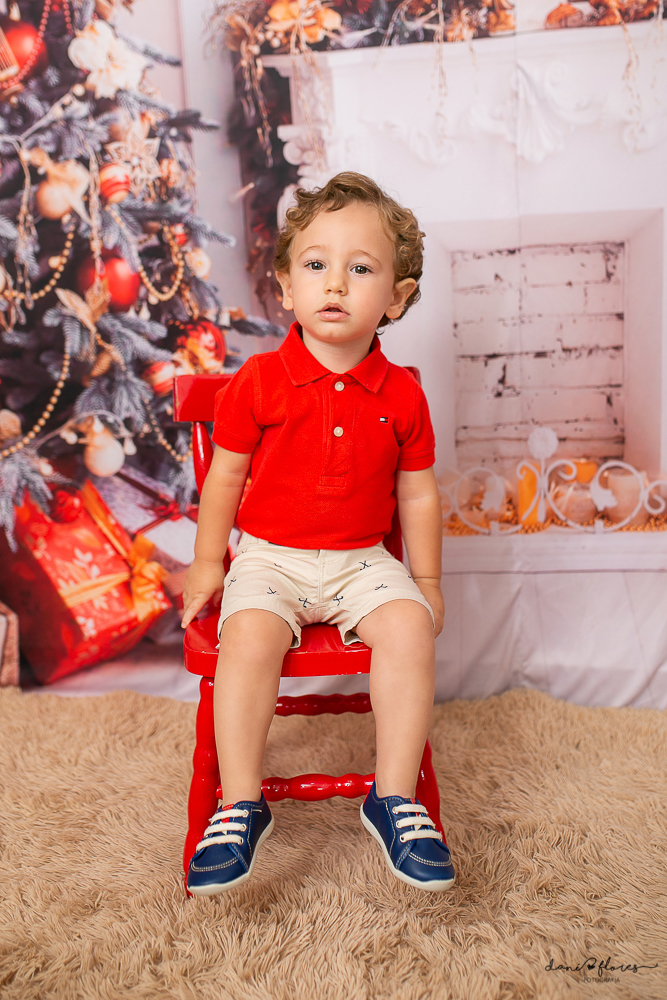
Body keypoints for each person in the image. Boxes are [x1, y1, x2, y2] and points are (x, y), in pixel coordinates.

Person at [181, 172, 454, 895]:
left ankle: (393, 798)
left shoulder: (402, 394)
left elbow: (417, 493)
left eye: (360, 269)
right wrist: (208, 563)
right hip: (270, 558)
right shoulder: (258, 381)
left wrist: (426, 581)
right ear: (285, 285)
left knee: (408, 627)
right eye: (315, 264)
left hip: (363, 560)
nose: (335, 282)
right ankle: (241, 803)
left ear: (395, 297)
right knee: (247, 638)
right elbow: (225, 479)